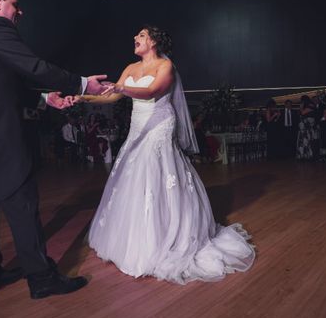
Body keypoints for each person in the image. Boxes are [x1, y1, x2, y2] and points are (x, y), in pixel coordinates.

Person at [0, 0, 109, 299]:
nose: (19, 11)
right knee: (22, 204)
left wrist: (46, 100)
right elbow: (33, 66)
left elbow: (1, 84)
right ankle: (42, 279)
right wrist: (83, 84)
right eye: (15, 4)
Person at [82, 25, 255, 284]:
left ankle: (164, 238)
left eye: (140, 35)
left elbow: (151, 92)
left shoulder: (166, 66)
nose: (135, 38)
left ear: (153, 41)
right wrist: (82, 98)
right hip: (138, 127)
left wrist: (121, 89)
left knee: (154, 173)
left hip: (160, 125)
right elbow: (110, 97)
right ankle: (134, 238)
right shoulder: (130, 68)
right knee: (132, 176)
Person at [296, 95, 318, 160]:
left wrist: (301, 107)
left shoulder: (310, 106)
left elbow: (302, 113)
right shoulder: (310, 105)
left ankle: (308, 155)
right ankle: (304, 155)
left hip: (307, 127)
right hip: (304, 127)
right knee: (304, 141)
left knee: (307, 141)